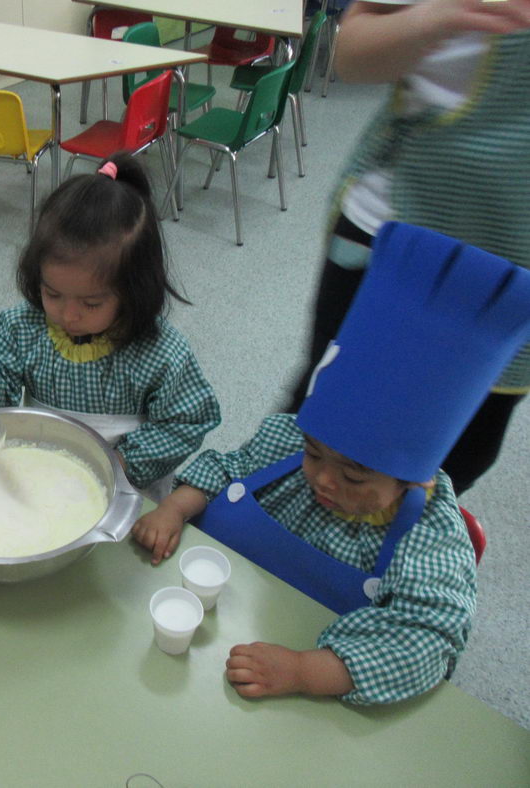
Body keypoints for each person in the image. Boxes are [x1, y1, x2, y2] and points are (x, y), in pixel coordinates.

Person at [134, 222, 530, 705]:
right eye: (314, 452)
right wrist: (174, 509)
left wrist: (306, 671)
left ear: (413, 477)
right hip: (200, 655)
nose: (322, 477)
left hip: (294, 695)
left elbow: (424, 642)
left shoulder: (432, 538)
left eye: (354, 474)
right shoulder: (285, 442)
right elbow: (225, 468)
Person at [282, 0, 530, 495]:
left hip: (515, 265)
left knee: (453, 451)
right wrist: (439, 18)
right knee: (323, 424)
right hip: (396, 235)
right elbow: (351, 54)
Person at [0, 154, 220, 501]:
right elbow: (2, 393)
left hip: (126, 490)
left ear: (134, 292)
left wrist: (120, 463)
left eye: (91, 304)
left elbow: (185, 423)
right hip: (41, 478)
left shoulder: (160, 353)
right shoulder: (22, 328)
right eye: (52, 294)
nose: (68, 315)